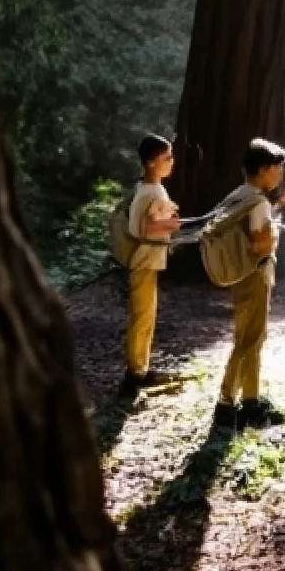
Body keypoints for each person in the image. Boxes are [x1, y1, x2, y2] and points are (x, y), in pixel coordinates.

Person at [213, 138, 285, 430]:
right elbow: (261, 244)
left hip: (240, 273)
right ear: (263, 169)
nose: (282, 173)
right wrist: (273, 234)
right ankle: (227, 402)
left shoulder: (240, 194)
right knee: (250, 338)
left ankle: (250, 399)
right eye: (278, 167)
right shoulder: (257, 201)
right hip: (255, 273)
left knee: (249, 336)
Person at [120, 134, 182, 397]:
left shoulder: (149, 188)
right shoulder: (152, 190)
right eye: (166, 157)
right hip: (144, 260)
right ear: (151, 162)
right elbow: (148, 227)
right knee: (142, 316)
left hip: (147, 259)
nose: (171, 162)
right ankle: (134, 374)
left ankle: (141, 368)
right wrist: (172, 223)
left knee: (146, 316)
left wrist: (168, 216)